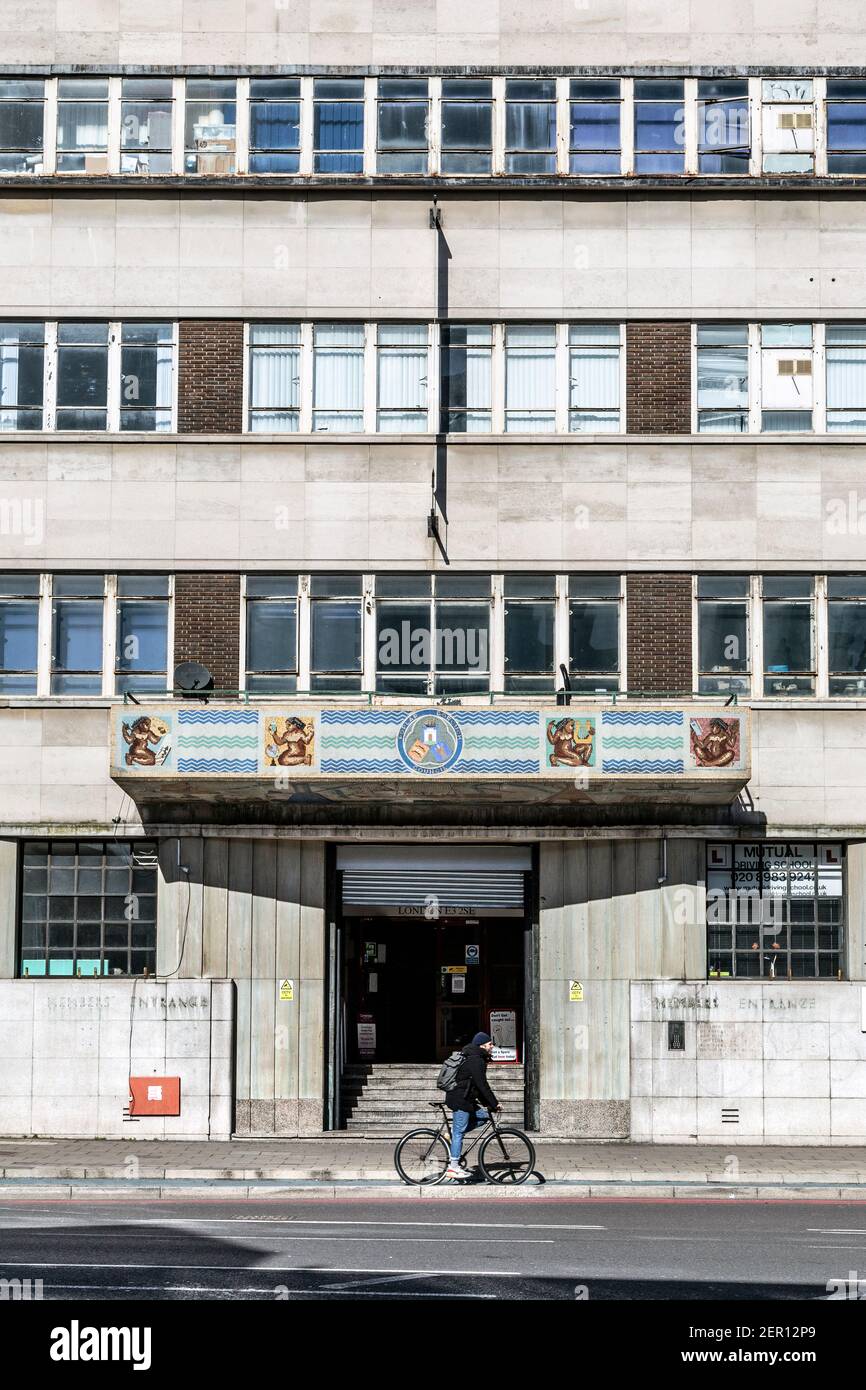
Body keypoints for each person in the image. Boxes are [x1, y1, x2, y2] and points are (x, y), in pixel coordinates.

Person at [444, 1031, 500, 1180]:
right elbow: (482, 1085)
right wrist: (494, 1103)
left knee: (484, 1116)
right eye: (490, 1044)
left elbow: (476, 1085)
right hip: (460, 1100)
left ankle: (451, 1135)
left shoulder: (477, 1058)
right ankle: (453, 1167)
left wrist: (489, 1105)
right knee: (459, 1133)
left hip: (467, 1099)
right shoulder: (476, 1060)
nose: (492, 1046)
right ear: (482, 1045)